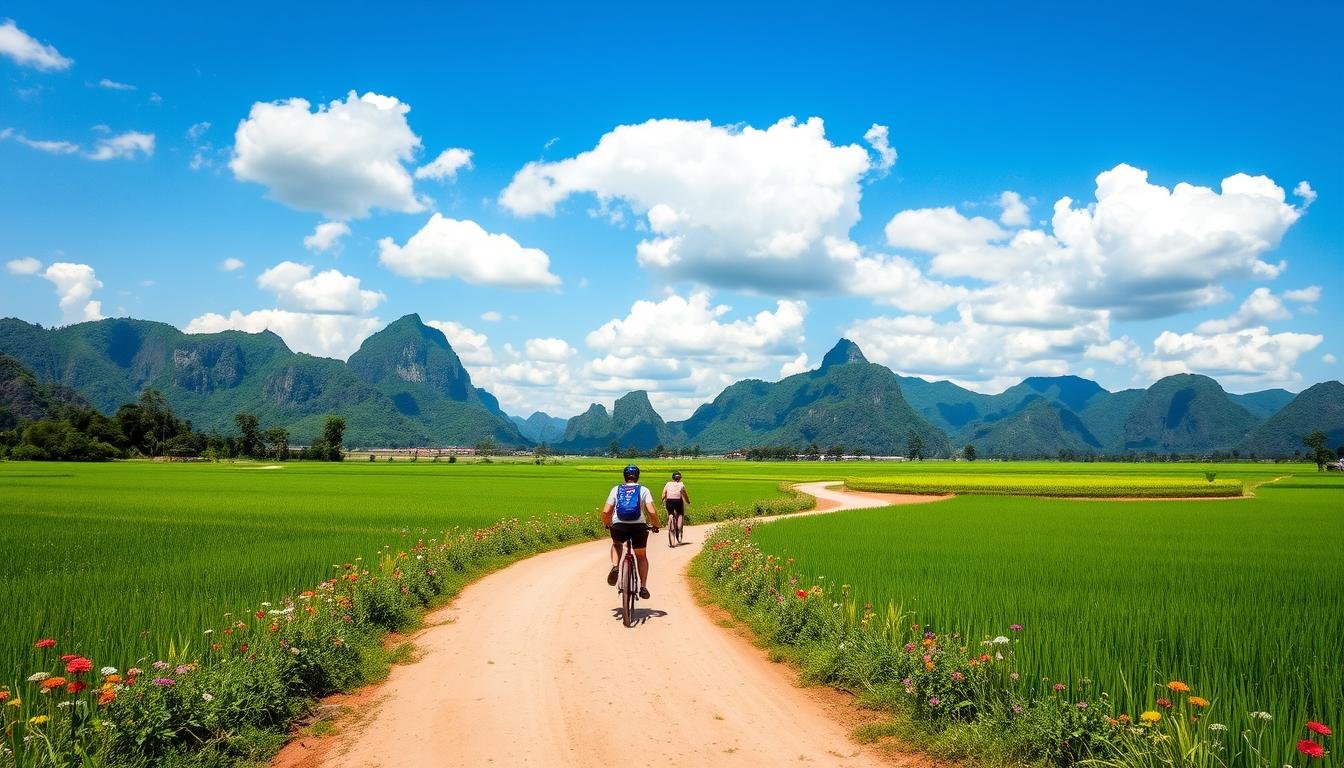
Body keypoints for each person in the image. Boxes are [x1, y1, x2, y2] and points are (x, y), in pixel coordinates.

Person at [603, 464, 660, 598]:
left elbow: (606, 511)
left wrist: (607, 523)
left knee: (617, 544)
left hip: (619, 526)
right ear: (637, 476)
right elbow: (651, 511)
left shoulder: (616, 489)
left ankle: (616, 566)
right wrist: (656, 525)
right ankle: (643, 586)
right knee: (641, 556)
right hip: (638, 527)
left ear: (625, 476)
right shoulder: (643, 490)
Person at [662, 470, 690, 537]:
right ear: (680, 478)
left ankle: (670, 524)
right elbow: (685, 495)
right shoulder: (681, 484)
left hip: (669, 501)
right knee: (680, 514)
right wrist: (688, 501)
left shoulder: (668, 484)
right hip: (678, 502)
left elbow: (663, 494)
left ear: (672, 478)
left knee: (670, 513)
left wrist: (662, 501)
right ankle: (678, 528)